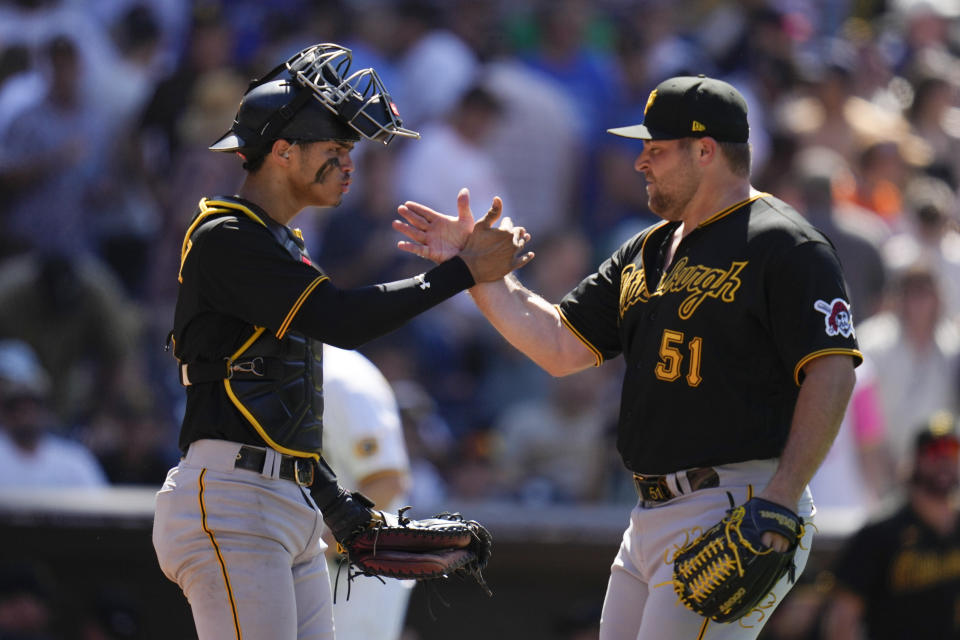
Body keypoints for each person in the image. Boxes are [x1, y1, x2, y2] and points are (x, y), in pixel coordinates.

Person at [395, 75, 861, 639]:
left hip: (737, 501)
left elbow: (831, 368)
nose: (640, 162)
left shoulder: (784, 244)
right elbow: (562, 345)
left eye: (656, 149)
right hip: (650, 513)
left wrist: (782, 499)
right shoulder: (647, 248)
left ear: (706, 151)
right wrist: (476, 275)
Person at [151, 43, 532, 640]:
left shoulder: (282, 244)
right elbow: (343, 319)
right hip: (230, 499)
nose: (348, 165)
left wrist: (337, 504)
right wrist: (462, 271)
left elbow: (274, 404)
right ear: (281, 151)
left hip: (282, 498)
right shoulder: (226, 235)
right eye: (334, 150)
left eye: (349, 151)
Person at [822, 411, 960, 640]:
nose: (943, 460)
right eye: (934, 451)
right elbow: (843, 619)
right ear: (914, 460)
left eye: (952, 451)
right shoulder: (880, 533)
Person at [320, 344, 414, 640]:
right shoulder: (281, 368)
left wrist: (319, 549)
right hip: (318, 570)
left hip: (353, 576)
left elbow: (387, 480)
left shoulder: (342, 377)